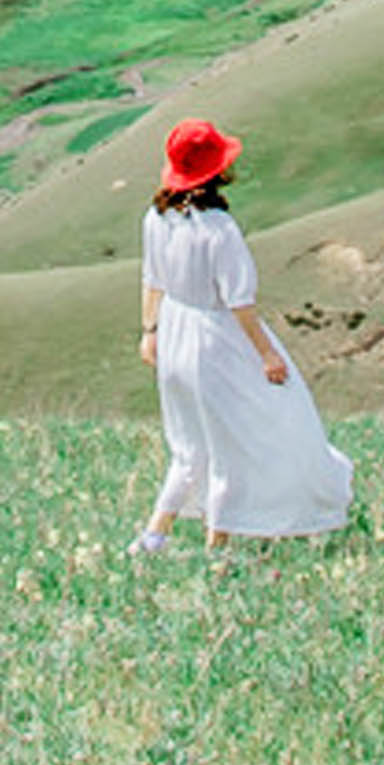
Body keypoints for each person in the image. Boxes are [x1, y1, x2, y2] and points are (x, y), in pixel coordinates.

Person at [132, 117, 353, 549]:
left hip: (174, 328)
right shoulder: (219, 230)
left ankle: (155, 535)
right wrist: (268, 355)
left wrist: (150, 330)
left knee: (189, 442)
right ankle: (219, 547)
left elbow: (151, 279)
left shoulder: (156, 219)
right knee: (246, 434)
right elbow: (239, 303)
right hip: (215, 338)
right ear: (218, 172)